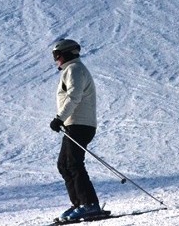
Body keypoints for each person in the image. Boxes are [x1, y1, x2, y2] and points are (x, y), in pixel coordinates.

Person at [49, 38, 102, 223]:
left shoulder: (75, 70)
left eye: (57, 55)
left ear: (67, 53)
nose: (56, 59)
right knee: (64, 164)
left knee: (73, 163)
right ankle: (80, 204)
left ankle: (88, 205)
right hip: (74, 124)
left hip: (80, 124)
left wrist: (59, 118)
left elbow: (74, 96)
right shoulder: (71, 70)